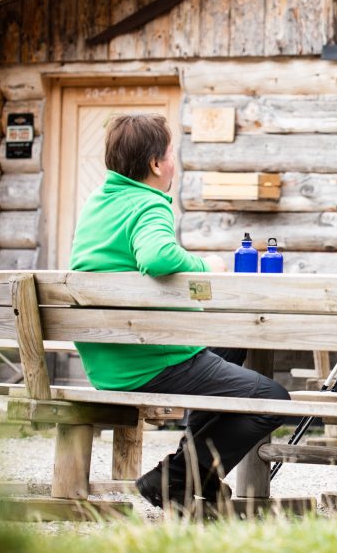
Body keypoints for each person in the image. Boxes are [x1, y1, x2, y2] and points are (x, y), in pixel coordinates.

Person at [69, 112, 290, 511]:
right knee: (272, 397)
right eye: (172, 154)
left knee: (228, 350)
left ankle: (192, 476)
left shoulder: (98, 204)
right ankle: (175, 478)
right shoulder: (149, 204)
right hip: (148, 360)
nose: (175, 162)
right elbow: (155, 256)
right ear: (156, 164)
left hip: (107, 359)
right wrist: (209, 266)